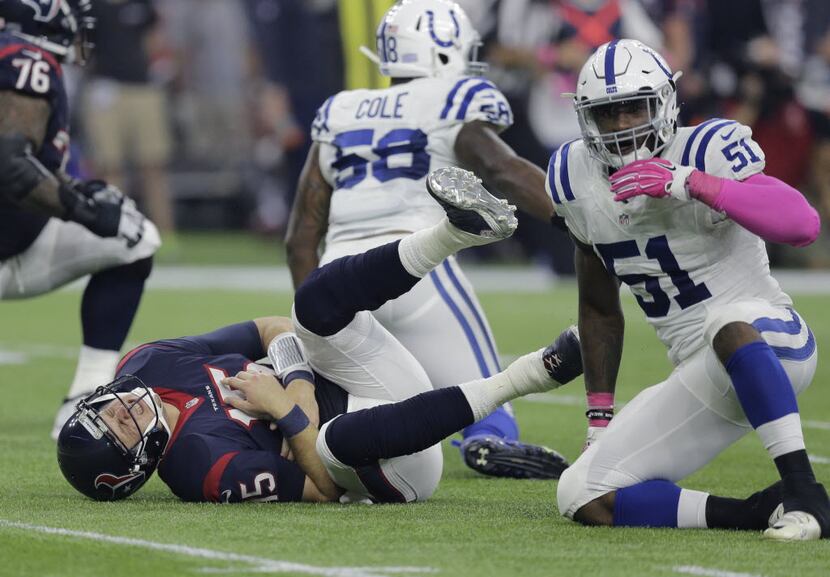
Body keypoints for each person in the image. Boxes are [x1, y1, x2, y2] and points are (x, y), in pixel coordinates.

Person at [57, 168, 582, 503]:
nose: (119, 412)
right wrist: (284, 413)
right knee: (337, 443)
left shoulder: (146, 363)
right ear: (136, 465)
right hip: (394, 467)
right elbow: (323, 488)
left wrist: (297, 383)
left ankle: (456, 233)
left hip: (361, 381)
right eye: (118, 432)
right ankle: (533, 373)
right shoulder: (200, 468)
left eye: (102, 411)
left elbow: (270, 327)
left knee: (309, 304)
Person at [548, 39, 828, 540]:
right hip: (702, 370)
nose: (622, 125)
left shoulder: (705, 148)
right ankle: (758, 511)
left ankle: (806, 493)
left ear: (665, 103)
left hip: (772, 342)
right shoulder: (573, 177)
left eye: (634, 107)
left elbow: (802, 223)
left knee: (724, 321)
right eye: (607, 113)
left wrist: (690, 182)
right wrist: (598, 419)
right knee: (582, 494)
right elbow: (597, 305)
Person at [286, 0, 556, 478]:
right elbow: (502, 169)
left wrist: (314, 314)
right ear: (446, 51)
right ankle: (488, 440)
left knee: (360, 395)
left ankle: (336, 427)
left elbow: (301, 234)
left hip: (340, 277)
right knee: (488, 406)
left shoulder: (341, 109)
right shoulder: (454, 99)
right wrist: (572, 217)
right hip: (416, 266)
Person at [0, 0, 161, 439]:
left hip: (25, 238)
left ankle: (85, 394)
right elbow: (12, 166)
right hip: (19, 240)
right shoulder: (26, 58)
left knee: (133, 236)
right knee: (127, 231)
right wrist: (85, 209)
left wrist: (74, 192)